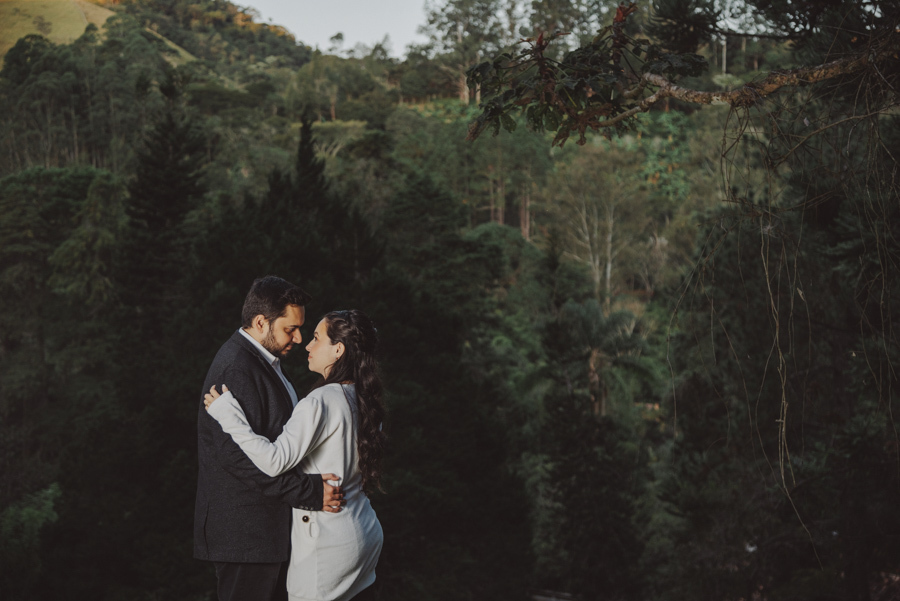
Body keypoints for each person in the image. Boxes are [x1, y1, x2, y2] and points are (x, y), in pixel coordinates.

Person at [204, 309, 386, 601]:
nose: (308, 345)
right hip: (365, 532)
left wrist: (228, 415)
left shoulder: (321, 400)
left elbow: (274, 461)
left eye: (316, 338)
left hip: (327, 547)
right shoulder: (364, 399)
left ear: (338, 350)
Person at [194, 276, 345, 601]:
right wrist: (309, 491)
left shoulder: (263, 362)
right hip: (246, 537)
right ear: (261, 322)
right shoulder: (236, 369)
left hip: (265, 535)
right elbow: (241, 462)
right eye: (290, 328)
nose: (299, 337)